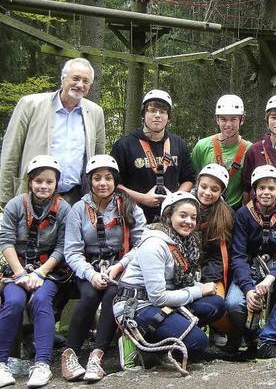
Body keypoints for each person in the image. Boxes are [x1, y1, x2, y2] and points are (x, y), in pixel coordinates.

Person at [112, 192, 226, 365]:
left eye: (193, 217)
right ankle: (138, 341)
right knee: (198, 343)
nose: (189, 221)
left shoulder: (185, 242)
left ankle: (165, 338)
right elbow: (158, 297)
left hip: (163, 298)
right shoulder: (155, 245)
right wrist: (198, 290)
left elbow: (179, 282)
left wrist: (199, 288)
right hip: (138, 305)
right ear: (168, 215)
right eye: (183, 215)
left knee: (215, 304)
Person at [62, 155, 146, 382]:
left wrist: (120, 265)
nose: (103, 183)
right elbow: (71, 251)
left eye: (108, 178)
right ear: (89, 181)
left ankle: (96, 356)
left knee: (112, 294)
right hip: (88, 265)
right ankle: (70, 353)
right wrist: (90, 274)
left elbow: (141, 243)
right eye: (97, 178)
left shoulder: (129, 206)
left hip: (120, 264)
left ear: (115, 181)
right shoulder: (78, 209)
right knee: (89, 294)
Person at [0, 156, 71, 388]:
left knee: (41, 300)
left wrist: (40, 273)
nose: (44, 186)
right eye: (39, 181)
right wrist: (20, 274)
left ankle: (42, 364)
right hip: (17, 268)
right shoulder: (15, 205)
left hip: (48, 270)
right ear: (30, 182)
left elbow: (63, 246)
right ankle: (1, 363)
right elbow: (6, 241)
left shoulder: (63, 209)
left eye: (49, 182)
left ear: (56, 184)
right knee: (13, 302)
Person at [0, 58, 105, 207]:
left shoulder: (95, 112)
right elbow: (11, 152)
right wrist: (5, 196)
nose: (80, 84)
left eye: (85, 81)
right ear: (63, 78)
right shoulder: (30, 105)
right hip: (32, 195)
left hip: (75, 198)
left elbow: (98, 157)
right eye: (75, 78)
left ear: (90, 85)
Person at [226, 165, 276, 360]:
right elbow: (238, 255)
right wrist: (247, 289)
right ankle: (253, 340)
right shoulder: (244, 215)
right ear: (254, 190)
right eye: (261, 188)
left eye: (271, 188)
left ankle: (267, 340)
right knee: (234, 303)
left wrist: (270, 279)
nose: (266, 193)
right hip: (251, 269)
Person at [111, 89, 195, 222]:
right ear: (143, 114)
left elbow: (189, 179)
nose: (157, 115)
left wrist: (174, 198)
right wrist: (142, 198)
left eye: (162, 112)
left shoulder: (179, 144)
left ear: (169, 117)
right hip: (134, 215)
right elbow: (114, 184)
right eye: (152, 110)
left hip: (171, 216)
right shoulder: (124, 145)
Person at [193, 164, 238, 349]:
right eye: (204, 187)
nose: (207, 193)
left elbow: (221, 255)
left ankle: (220, 330)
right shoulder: (182, 206)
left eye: (214, 189)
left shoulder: (226, 216)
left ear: (222, 192)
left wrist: (207, 280)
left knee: (217, 303)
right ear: (197, 185)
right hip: (184, 269)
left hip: (212, 272)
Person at [191, 95, 252, 210]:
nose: (228, 124)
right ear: (217, 120)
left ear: (242, 120)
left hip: (234, 211)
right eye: (223, 119)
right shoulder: (202, 146)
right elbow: (194, 178)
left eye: (233, 119)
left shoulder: (249, 150)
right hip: (204, 209)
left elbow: (248, 187)